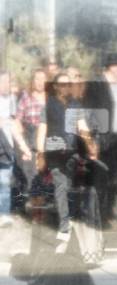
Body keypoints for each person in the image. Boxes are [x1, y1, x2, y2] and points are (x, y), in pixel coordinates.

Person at [36, 73, 95, 253]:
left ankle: (71, 224)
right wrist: (40, 154)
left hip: (71, 153)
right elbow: (42, 131)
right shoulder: (48, 107)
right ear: (55, 87)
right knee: (61, 187)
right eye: (61, 85)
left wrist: (91, 146)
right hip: (54, 153)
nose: (65, 88)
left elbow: (82, 127)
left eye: (67, 85)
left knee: (69, 188)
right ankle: (64, 229)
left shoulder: (74, 105)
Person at [83, 53, 117, 229]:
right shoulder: (95, 86)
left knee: (113, 179)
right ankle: (95, 218)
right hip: (99, 141)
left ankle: (105, 214)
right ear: (113, 67)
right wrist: (92, 141)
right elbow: (88, 115)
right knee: (98, 179)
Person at [0, 70, 32, 227]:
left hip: (5, 149)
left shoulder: (10, 100)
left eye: (8, 81)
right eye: (4, 82)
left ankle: (4, 215)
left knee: (4, 181)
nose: (7, 85)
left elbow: (13, 126)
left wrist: (24, 146)